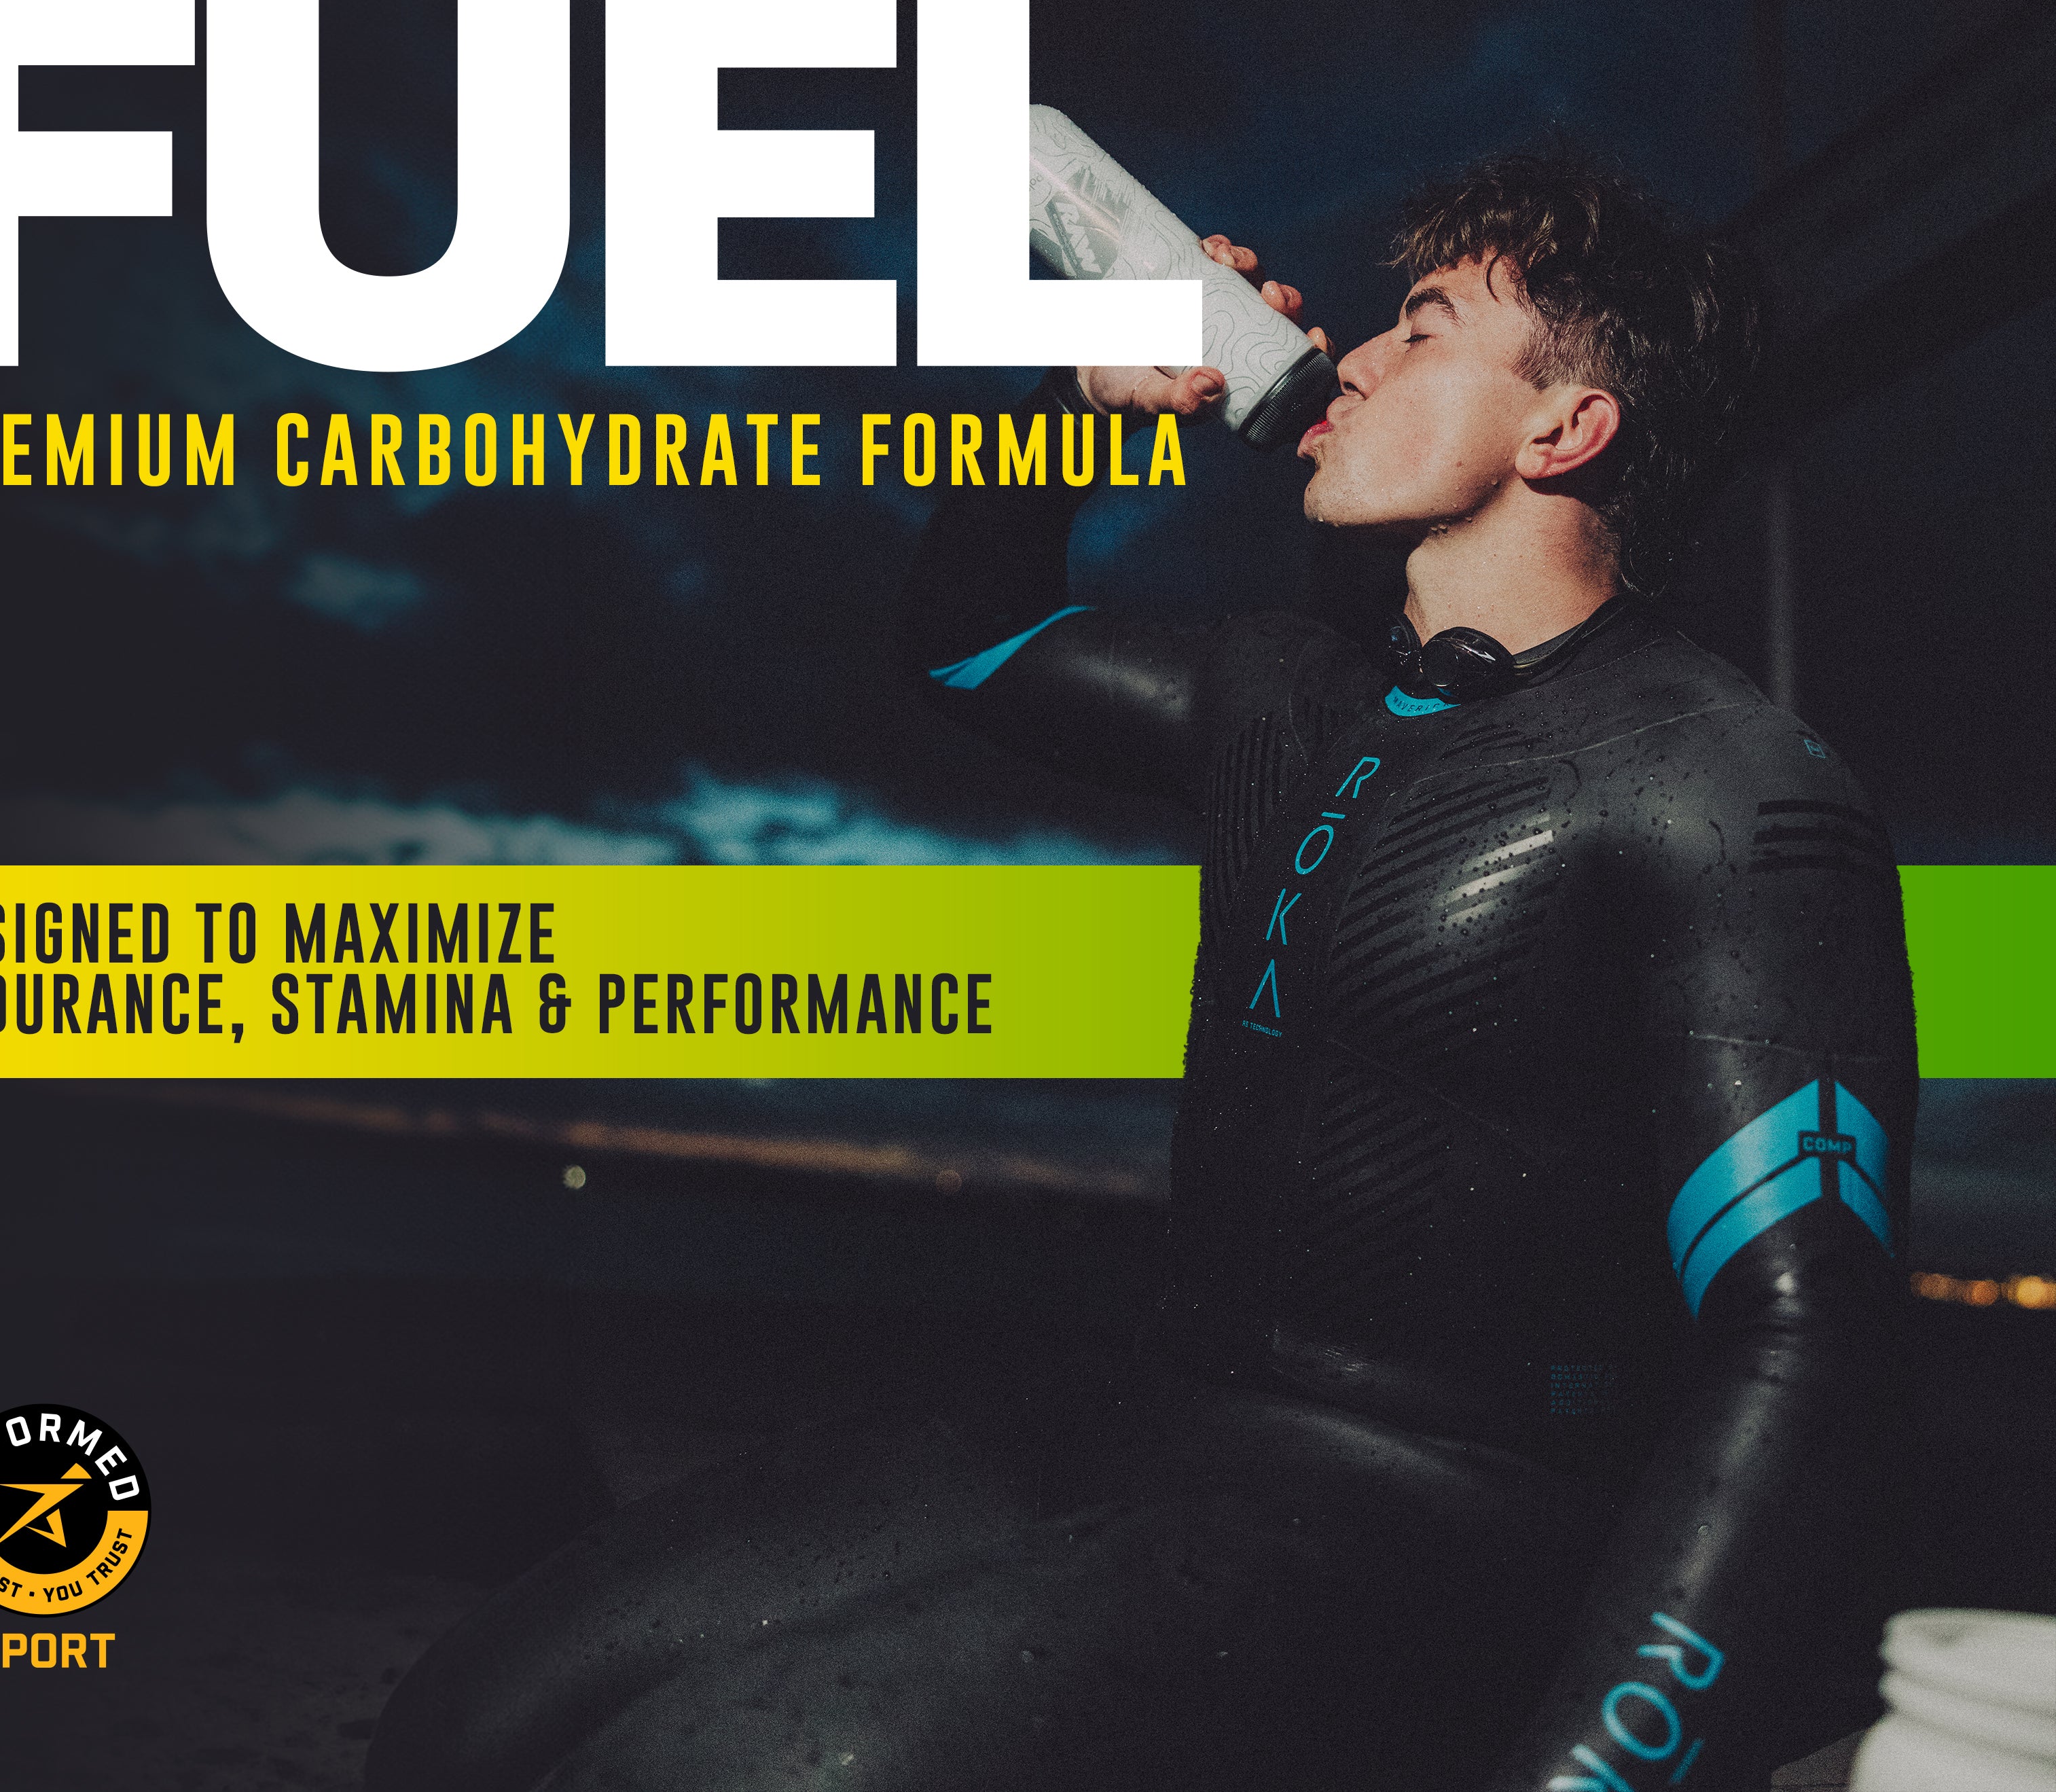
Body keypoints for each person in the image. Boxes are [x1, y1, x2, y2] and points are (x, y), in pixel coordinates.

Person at [369, 152, 1916, 1792]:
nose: (1348, 361)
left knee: (699, 1777)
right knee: (465, 1726)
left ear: (1565, 430)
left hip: (1449, 1517)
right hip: (1155, 1429)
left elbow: (1802, 1338)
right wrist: (1077, 412)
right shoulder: (1283, 689)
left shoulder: (1724, 787)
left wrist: (1602, 1773)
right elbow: (962, 643)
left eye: (1420, 328)